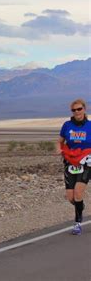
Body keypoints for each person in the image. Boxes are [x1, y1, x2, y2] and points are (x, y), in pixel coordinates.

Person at [57, 99, 91, 235]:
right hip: (70, 162)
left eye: (79, 109)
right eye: (74, 110)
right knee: (71, 197)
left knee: (78, 192)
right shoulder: (67, 125)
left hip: (86, 162)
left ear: (84, 109)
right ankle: (80, 206)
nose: (77, 112)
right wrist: (58, 149)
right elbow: (60, 141)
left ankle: (77, 223)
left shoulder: (90, 126)